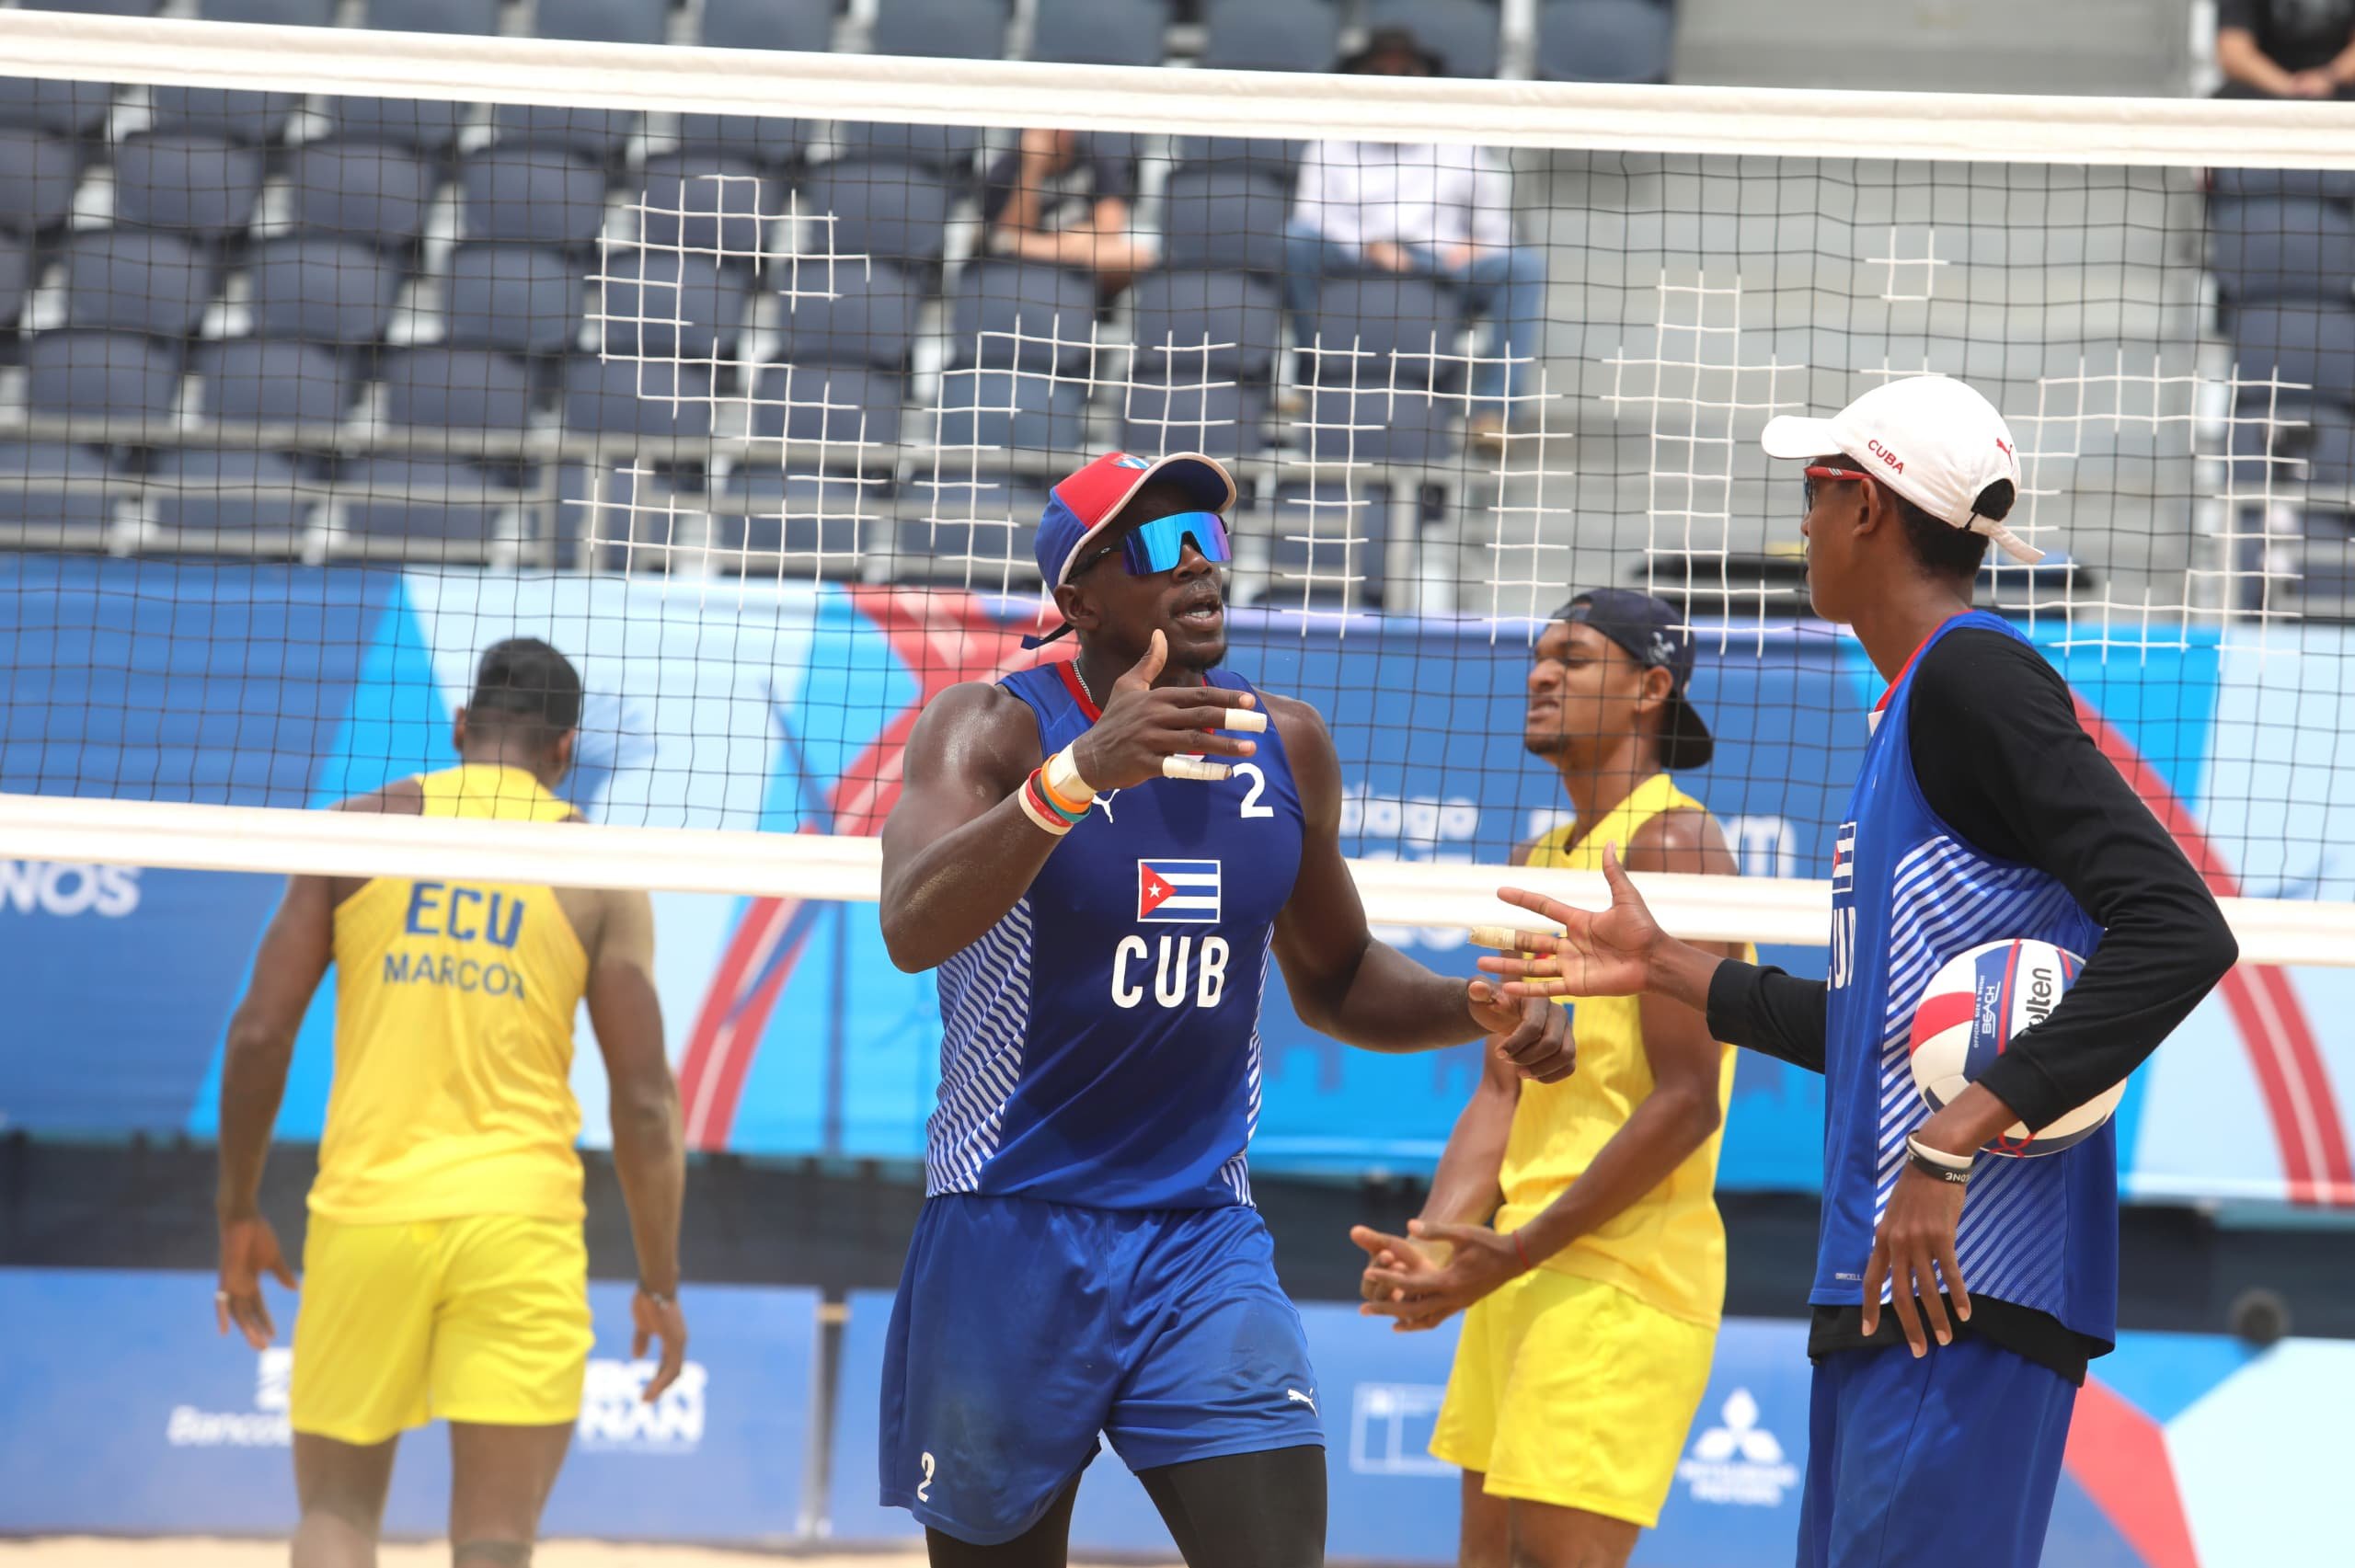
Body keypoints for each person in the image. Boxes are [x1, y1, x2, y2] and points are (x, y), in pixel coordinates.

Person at [1476, 375, 2241, 1568]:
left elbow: (2180, 927)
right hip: (1892, 1289)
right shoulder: (1911, 703)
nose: (1802, 524)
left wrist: (1955, 1139)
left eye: (1814, 492)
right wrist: (1669, 967)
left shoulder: (1976, 678)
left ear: (1869, 508)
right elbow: (1878, 1030)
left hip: (1971, 1283)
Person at [875, 449, 1577, 1568]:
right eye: (1158, 544)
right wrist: (1078, 777)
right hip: (1010, 1225)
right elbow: (911, 924)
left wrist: (1474, 1005)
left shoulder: (1283, 741)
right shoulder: (991, 729)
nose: (1199, 564)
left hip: (1200, 1235)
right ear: (1079, 596)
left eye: (1210, 537)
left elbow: (1339, 978)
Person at [213, 638, 688, 1568]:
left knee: (337, 1516)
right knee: (495, 1542)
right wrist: (660, 1279)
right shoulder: (596, 866)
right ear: (565, 748)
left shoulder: (357, 827)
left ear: (462, 725)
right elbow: (644, 1105)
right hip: (520, 1220)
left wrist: (235, 1211)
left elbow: (259, 1034)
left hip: (366, 1212)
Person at [1350, 589, 1746, 1568]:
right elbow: (1499, 1091)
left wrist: (1516, 1246)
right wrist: (1439, 1244)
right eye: (1539, 656)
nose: (1540, 673)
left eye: (1573, 657)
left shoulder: (1675, 841)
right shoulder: (1540, 857)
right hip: (1522, 1265)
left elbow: (1687, 1098)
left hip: (1620, 1275)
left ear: (1650, 688)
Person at [1283, 27, 1548, 449]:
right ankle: (1309, 379)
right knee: (1295, 243)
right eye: (1382, 70)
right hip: (1354, 264)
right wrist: (1371, 248)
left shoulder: (1459, 143)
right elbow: (1310, 219)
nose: (1396, 79)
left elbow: (1497, 233)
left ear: (1426, 77)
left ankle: (1494, 410)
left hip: (1437, 267)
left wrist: (1471, 251)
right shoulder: (1330, 141)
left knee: (1522, 266)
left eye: (1407, 70)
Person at [983, 128, 1155, 295]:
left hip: (1080, 259)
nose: (1060, 132)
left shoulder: (1095, 160)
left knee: (1136, 257)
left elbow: (1110, 230)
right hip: (1024, 270)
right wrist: (1032, 167)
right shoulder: (1007, 167)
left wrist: (1055, 246)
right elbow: (1010, 234)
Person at [2215, 0, 2355, 98]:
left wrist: (2328, 77)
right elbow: (2234, 53)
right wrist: (2289, 86)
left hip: (2340, 85)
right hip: (2263, 85)